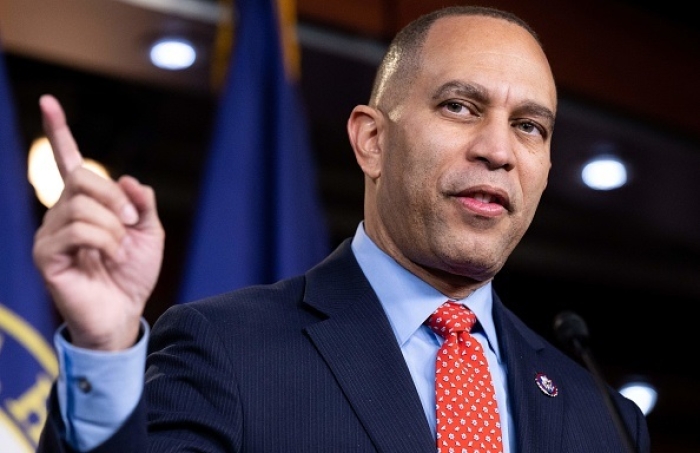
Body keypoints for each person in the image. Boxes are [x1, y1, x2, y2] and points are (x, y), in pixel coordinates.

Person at [35, 5, 650, 453]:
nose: (499, 150)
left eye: (529, 126)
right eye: (460, 107)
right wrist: (104, 354)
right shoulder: (227, 350)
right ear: (372, 140)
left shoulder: (607, 420)